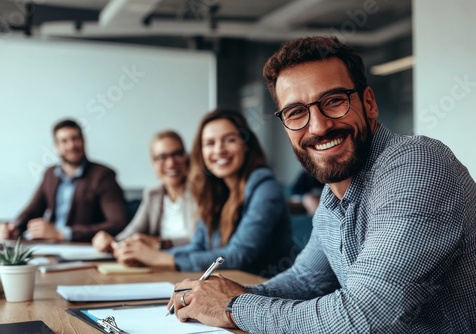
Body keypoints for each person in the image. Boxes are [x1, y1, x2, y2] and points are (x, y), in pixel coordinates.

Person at [168, 36, 476, 333]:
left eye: (333, 101)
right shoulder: (333, 196)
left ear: (368, 103)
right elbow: (305, 282)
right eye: (297, 112)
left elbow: (366, 316)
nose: (318, 126)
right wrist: (218, 296)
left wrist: (234, 306)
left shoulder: (417, 163)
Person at [113, 109, 294, 277]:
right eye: (209, 143)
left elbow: (239, 255)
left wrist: (161, 258)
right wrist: (149, 255)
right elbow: (197, 247)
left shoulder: (264, 185)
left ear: (246, 145)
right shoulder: (214, 190)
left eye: (229, 140)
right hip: (228, 288)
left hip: (267, 292)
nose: (219, 150)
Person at [0, 119, 127, 242]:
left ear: (83, 141)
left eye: (75, 139)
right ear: (56, 147)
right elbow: (32, 210)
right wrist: (14, 227)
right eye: (64, 141)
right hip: (50, 245)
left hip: (81, 247)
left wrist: (63, 233)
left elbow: (117, 223)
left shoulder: (103, 175)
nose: (71, 145)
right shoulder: (50, 174)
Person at [92, 130, 197, 252]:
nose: (171, 163)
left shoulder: (201, 192)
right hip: (157, 262)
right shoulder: (153, 194)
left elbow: (202, 240)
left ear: (186, 157)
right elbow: (133, 231)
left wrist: (163, 243)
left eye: (177, 154)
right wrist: (112, 242)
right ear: (153, 163)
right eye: (162, 157)